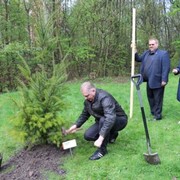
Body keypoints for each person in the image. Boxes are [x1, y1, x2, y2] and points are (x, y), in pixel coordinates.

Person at [64, 81, 128, 160]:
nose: (85, 98)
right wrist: (75, 125)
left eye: (87, 96)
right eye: (84, 96)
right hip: (102, 120)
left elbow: (110, 118)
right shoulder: (88, 101)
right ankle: (112, 134)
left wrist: (100, 138)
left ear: (93, 90)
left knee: (103, 120)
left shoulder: (105, 98)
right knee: (88, 136)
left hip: (119, 120)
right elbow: (85, 114)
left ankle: (102, 151)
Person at [134, 37, 170, 120]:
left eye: (152, 44)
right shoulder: (146, 53)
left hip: (158, 80)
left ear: (157, 44)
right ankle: (153, 112)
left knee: (158, 99)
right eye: (149, 44)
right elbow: (138, 59)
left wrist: (164, 80)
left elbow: (166, 68)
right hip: (149, 80)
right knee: (150, 97)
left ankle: (158, 116)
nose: (151, 46)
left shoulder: (163, 54)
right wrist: (135, 51)